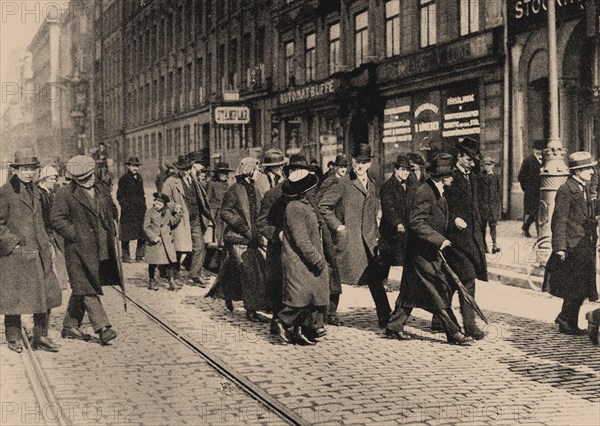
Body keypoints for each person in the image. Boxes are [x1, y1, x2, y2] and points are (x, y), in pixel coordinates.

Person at [385, 154, 472, 346]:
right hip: (421, 253)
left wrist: (453, 222)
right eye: (449, 175)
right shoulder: (426, 192)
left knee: (410, 291)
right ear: (442, 177)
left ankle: (394, 325)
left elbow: (435, 219)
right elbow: (416, 222)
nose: (452, 177)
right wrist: (439, 240)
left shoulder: (438, 192)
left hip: (424, 252)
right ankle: (454, 332)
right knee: (438, 290)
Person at [319, 144, 391, 328]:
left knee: (375, 279)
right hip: (349, 240)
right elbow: (323, 207)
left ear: (370, 163)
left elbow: (373, 207)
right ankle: (329, 313)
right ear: (352, 161)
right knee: (337, 276)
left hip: (368, 240)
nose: (360, 166)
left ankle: (385, 316)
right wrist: (338, 227)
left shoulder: (373, 183)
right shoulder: (342, 183)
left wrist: (377, 226)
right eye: (358, 161)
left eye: (365, 162)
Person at [52, 155, 120, 345]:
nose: (87, 181)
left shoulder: (101, 189)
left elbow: (112, 210)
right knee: (87, 286)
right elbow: (57, 219)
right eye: (82, 179)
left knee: (81, 286)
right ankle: (103, 328)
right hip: (77, 250)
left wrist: (112, 225)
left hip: (100, 247)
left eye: (89, 176)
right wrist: (77, 234)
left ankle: (69, 326)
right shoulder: (65, 193)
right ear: (74, 178)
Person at [0, 155, 62, 353]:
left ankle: (40, 336)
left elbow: (42, 221)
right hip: (16, 255)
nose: (28, 173)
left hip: (39, 250)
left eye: (31, 169)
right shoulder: (5, 192)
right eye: (23, 168)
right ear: (16, 170)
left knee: (46, 295)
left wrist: (49, 244)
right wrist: (14, 244)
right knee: (14, 297)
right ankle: (13, 337)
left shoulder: (36, 190)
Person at [207, 157, 271, 322]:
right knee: (249, 273)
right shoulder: (234, 190)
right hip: (237, 239)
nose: (259, 173)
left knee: (235, 273)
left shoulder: (255, 190)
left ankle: (227, 294)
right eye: (257, 170)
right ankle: (251, 310)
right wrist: (243, 227)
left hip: (252, 239)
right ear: (249, 171)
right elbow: (225, 212)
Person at [438, 137, 488, 340]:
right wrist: (453, 221)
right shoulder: (449, 177)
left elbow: (475, 208)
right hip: (454, 239)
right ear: (459, 157)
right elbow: (441, 205)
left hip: (471, 238)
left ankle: (438, 317)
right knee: (467, 278)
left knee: (451, 280)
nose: (472, 163)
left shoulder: (471, 178)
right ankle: (469, 326)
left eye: (474, 160)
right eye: (469, 159)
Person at [543, 151, 598, 336]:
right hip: (573, 245)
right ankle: (567, 320)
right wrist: (559, 247)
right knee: (577, 285)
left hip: (585, 243)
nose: (591, 171)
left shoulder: (584, 187)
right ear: (577, 171)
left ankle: (566, 317)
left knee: (580, 285)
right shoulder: (566, 189)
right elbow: (559, 220)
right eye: (588, 168)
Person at [273, 169, 330, 345]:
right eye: (311, 187)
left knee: (310, 298)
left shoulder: (303, 205)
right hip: (299, 262)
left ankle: (298, 331)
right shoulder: (295, 208)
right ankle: (281, 322)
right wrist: (317, 259)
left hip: (305, 262)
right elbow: (301, 240)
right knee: (299, 300)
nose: (314, 189)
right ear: (304, 190)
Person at [162, 155, 212, 287]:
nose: (184, 171)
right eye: (181, 169)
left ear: (190, 168)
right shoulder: (170, 182)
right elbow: (164, 200)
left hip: (195, 218)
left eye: (187, 168)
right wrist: (173, 206)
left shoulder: (194, 179)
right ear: (177, 169)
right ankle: (171, 274)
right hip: (180, 220)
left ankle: (195, 274)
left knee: (199, 246)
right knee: (177, 249)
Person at [37, 165, 69, 290]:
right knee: (52, 257)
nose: (54, 182)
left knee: (60, 256)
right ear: (44, 179)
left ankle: (61, 283)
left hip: (52, 230)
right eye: (52, 179)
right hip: (47, 231)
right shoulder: (41, 194)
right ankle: (55, 284)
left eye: (55, 179)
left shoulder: (49, 193)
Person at [143, 193, 183, 291]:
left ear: (164, 205)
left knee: (169, 262)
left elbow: (173, 222)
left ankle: (171, 281)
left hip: (166, 242)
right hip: (155, 242)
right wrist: (153, 237)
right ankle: (152, 281)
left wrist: (178, 213)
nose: (157, 206)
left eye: (159, 204)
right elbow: (146, 227)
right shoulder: (149, 212)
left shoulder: (168, 212)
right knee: (153, 263)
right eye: (156, 203)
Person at [379, 154, 412, 267]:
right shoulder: (387, 186)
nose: (406, 173)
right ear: (396, 169)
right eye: (403, 170)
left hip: (407, 230)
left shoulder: (410, 185)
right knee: (395, 262)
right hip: (392, 232)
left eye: (408, 170)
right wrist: (397, 223)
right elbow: (388, 208)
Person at [116, 157, 146, 263]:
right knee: (126, 234)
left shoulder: (139, 178)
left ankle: (139, 255)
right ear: (128, 166)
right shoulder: (124, 179)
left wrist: (144, 206)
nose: (135, 168)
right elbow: (119, 195)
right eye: (133, 166)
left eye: (137, 166)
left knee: (141, 233)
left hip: (139, 211)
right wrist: (125, 206)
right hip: (128, 211)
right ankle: (126, 256)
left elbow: (142, 194)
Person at [518, 139, 544, 237]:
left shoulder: (545, 160)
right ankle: (539, 234)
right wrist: (527, 188)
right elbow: (521, 176)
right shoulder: (528, 160)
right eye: (536, 149)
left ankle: (525, 227)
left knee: (536, 212)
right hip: (531, 192)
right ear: (533, 150)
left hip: (541, 191)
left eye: (540, 149)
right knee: (535, 212)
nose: (538, 151)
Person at [476, 156, 502, 254]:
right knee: (483, 227)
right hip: (483, 207)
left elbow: (499, 193)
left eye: (489, 165)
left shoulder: (496, 177)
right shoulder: (480, 177)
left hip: (493, 207)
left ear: (493, 165)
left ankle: (494, 245)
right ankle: (484, 246)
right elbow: (477, 193)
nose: (487, 167)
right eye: (485, 165)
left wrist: (499, 207)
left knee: (493, 226)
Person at [206, 162, 234, 244]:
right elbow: (207, 199)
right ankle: (218, 244)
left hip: (225, 211)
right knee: (217, 230)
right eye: (223, 173)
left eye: (227, 173)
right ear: (217, 173)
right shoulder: (211, 183)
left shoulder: (226, 184)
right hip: (215, 212)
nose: (226, 175)